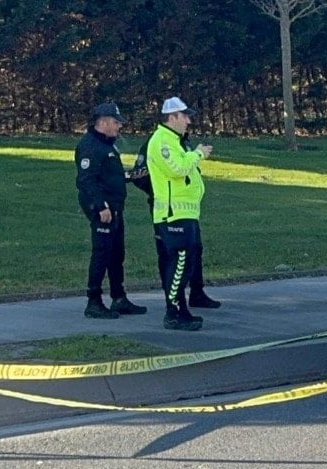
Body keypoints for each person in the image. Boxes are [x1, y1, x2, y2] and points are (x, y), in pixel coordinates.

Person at [73, 102, 148, 320]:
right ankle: (93, 301)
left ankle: (119, 297)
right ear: (103, 122)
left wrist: (131, 176)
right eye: (116, 122)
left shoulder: (107, 145)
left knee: (117, 253)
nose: (119, 127)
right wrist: (100, 206)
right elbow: (86, 180)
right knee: (102, 253)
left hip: (115, 207)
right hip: (103, 209)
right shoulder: (90, 146)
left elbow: (110, 176)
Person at [130, 133, 221, 310]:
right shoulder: (156, 143)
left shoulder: (181, 142)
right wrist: (159, 191)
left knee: (194, 250)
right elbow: (139, 175)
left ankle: (197, 292)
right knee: (170, 256)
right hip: (166, 210)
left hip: (188, 210)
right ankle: (174, 303)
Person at [147, 96, 214, 331]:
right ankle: (173, 312)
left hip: (186, 214)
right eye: (184, 116)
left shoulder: (175, 140)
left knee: (187, 263)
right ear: (172, 117)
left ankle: (181, 309)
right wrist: (197, 155)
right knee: (179, 263)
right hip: (173, 214)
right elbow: (177, 169)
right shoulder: (162, 141)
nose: (188, 121)